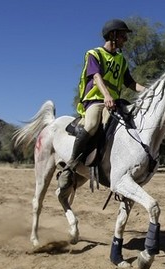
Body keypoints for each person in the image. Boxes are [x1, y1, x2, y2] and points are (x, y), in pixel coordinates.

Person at [58, 19, 146, 186]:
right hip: (95, 100)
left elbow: (130, 83)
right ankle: (70, 166)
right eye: (122, 36)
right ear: (112, 35)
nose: (125, 39)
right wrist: (106, 95)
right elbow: (96, 76)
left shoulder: (121, 60)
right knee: (91, 125)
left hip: (115, 103)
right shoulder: (94, 54)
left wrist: (149, 91)